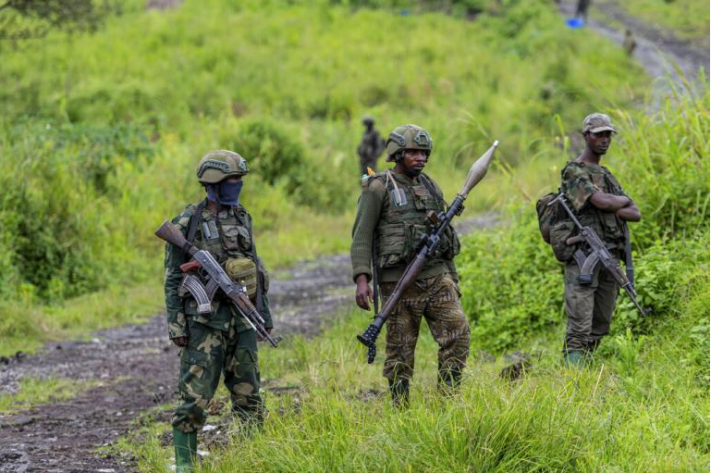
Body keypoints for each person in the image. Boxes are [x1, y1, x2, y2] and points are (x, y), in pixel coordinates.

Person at [163, 150, 273, 472]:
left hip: (242, 321)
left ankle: (254, 458)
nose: (238, 185)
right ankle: (185, 465)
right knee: (194, 400)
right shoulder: (188, 221)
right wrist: (177, 326)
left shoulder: (242, 217)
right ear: (214, 182)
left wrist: (263, 315)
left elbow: (255, 267)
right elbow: (173, 277)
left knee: (249, 396)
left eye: (239, 179)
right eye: (232, 180)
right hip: (204, 325)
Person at [350, 124, 470, 406]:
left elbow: (443, 235)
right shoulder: (378, 187)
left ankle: (448, 401)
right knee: (400, 351)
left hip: (437, 276)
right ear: (398, 153)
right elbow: (362, 236)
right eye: (414, 152)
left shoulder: (429, 186)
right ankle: (400, 409)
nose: (421, 158)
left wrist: (452, 278)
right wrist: (362, 279)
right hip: (398, 282)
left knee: (458, 333)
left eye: (424, 153)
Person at [560, 113, 641, 367]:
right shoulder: (573, 171)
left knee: (601, 323)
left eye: (608, 135)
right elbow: (602, 202)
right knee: (579, 325)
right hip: (583, 256)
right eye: (599, 135)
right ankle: (571, 378)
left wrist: (613, 203)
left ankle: (585, 373)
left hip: (610, 256)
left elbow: (635, 213)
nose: (604, 139)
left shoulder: (606, 175)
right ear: (586, 136)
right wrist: (618, 202)